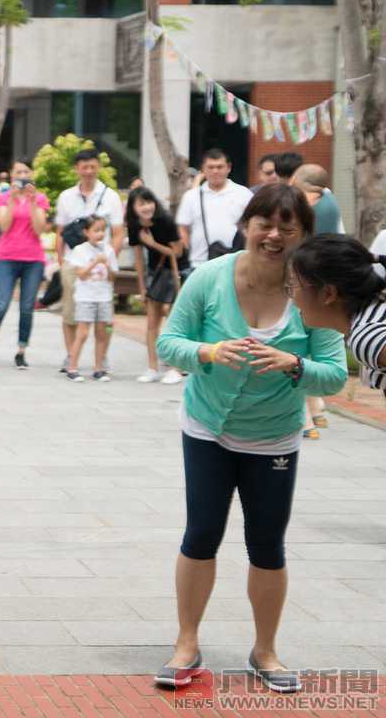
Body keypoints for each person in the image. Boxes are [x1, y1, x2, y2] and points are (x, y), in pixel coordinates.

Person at [154, 185, 346, 694]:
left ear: (304, 235)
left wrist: (295, 365)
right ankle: (186, 644)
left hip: (274, 439)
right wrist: (209, 352)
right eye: (265, 223)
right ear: (247, 225)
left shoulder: (313, 289)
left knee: (266, 545)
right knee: (201, 533)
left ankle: (266, 650)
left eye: (289, 227)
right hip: (207, 428)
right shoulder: (212, 278)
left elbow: (333, 375)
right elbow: (168, 343)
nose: (275, 235)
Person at [290, 235, 386, 402]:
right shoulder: (374, 313)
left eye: (293, 285)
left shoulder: (368, 335)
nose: (291, 297)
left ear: (328, 293)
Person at [54, 149, 123, 371]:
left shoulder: (110, 196)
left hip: (101, 266)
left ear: (98, 167)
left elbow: (119, 232)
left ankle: (101, 359)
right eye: (84, 167)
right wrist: (62, 261)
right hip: (74, 263)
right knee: (71, 312)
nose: (89, 171)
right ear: (76, 169)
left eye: (93, 166)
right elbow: (60, 231)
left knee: (104, 316)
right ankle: (70, 356)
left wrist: (110, 258)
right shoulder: (66, 196)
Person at [289, 163, 341, 437]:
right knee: (308, 347)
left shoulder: (306, 206)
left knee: (297, 346)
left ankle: (307, 417)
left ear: (298, 180)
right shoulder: (331, 203)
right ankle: (316, 408)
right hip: (325, 284)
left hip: (306, 284)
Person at [0, 160, 48, 371]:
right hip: (8, 257)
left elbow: (39, 229)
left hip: (33, 259)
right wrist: (12, 198)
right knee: (0, 305)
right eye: (18, 172)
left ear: (31, 174)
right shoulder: (2, 198)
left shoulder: (39, 198)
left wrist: (31, 202)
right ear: (11, 175)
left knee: (27, 307)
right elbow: (4, 225)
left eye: (26, 172)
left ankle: (21, 351)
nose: (22, 175)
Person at [126, 186, 187, 384]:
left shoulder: (165, 220)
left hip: (175, 271)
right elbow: (137, 258)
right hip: (156, 273)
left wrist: (152, 244)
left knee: (174, 321)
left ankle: (176, 368)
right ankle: (153, 367)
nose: (147, 207)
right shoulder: (134, 225)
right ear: (133, 207)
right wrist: (142, 287)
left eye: (149, 202)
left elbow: (177, 252)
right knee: (152, 322)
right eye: (141, 204)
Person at [175, 148, 252, 272]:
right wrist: (189, 249)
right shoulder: (191, 196)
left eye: (220, 167)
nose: (215, 171)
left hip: (235, 263)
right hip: (199, 264)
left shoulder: (244, 194)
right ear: (203, 170)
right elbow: (183, 228)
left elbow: (252, 225)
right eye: (210, 167)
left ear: (229, 167)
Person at [64, 216, 118, 383]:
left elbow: (112, 276)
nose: (100, 234)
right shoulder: (80, 250)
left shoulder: (108, 250)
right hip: (85, 297)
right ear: (86, 232)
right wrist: (95, 262)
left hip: (104, 297)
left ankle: (99, 368)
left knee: (102, 333)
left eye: (103, 230)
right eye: (96, 230)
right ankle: (72, 367)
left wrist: (107, 265)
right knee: (83, 333)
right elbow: (81, 274)